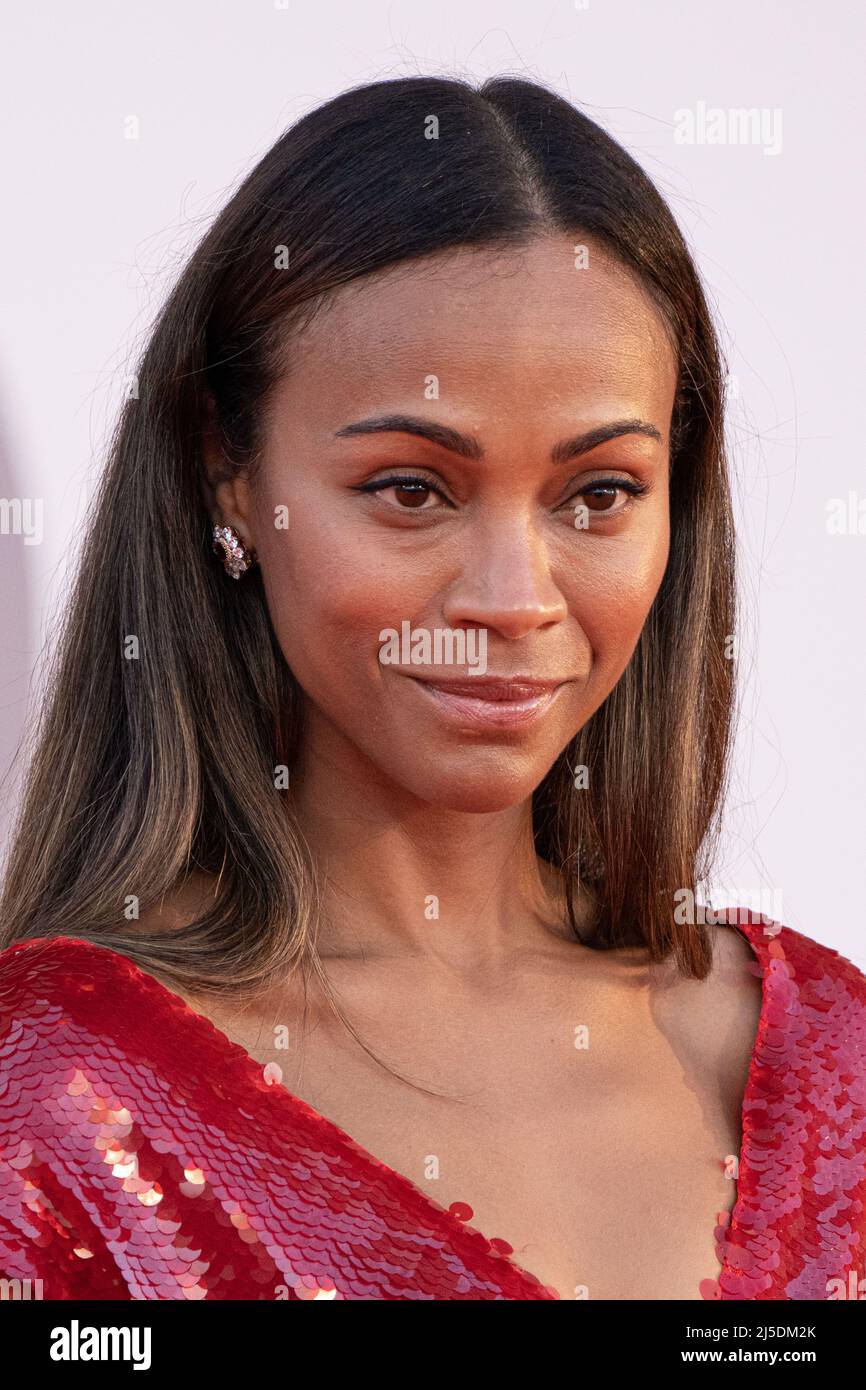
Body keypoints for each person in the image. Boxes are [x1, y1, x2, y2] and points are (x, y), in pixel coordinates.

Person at [0, 74, 864, 1302]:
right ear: (225, 473)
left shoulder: (831, 1057)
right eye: (411, 489)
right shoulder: (53, 1098)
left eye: (597, 495)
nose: (511, 599)